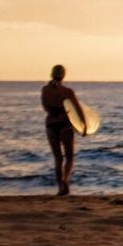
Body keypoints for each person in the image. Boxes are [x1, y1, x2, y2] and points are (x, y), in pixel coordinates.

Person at [41, 64, 85, 196]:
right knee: (69, 156)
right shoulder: (68, 92)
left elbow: (46, 107)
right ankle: (65, 180)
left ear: (51, 74)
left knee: (58, 158)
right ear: (63, 76)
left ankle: (60, 187)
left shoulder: (45, 90)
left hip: (51, 125)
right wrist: (84, 126)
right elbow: (78, 110)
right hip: (65, 125)